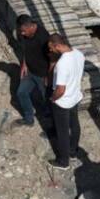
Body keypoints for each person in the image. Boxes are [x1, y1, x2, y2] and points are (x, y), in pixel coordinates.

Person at [47, 33, 84, 170]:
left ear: (57, 45)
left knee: (62, 132)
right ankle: (73, 152)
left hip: (62, 102)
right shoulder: (79, 54)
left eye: (51, 47)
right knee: (75, 125)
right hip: (75, 96)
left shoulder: (62, 64)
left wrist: (53, 98)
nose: (50, 50)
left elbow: (60, 89)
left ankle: (63, 162)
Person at [13, 15, 52, 127]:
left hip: (43, 75)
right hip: (30, 71)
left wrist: (48, 76)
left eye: (24, 31)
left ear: (30, 27)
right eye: (21, 31)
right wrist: (24, 64)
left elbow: (52, 59)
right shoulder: (23, 33)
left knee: (47, 98)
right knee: (21, 93)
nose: (22, 34)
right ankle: (28, 119)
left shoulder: (44, 38)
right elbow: (25, 49)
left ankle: (51, 122)